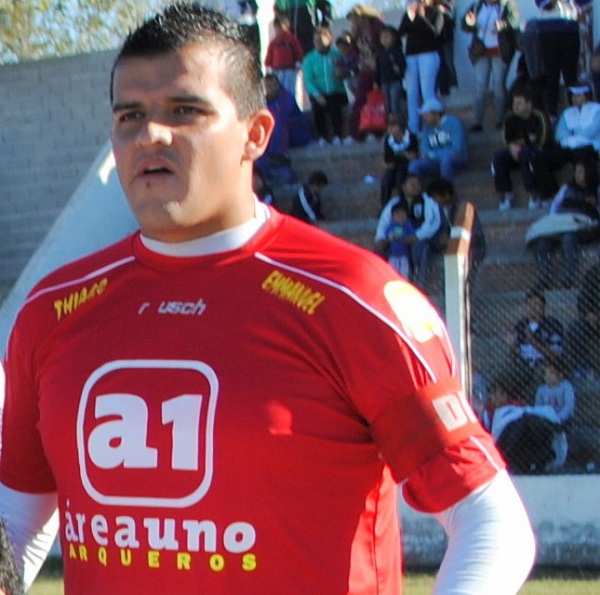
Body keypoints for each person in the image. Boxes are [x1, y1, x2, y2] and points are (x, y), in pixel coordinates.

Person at [0, 4, 535, 593]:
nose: (150, 134)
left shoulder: (354, 298)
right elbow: (20, 522)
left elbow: (491, 522)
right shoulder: (54, 309)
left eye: (184, 110)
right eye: (130, 116)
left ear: (255, 134)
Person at [492, 83, 559, 211]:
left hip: (540, 152)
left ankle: (534, 193)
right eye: (514, 103)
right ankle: (506, 193)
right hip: (516, 152)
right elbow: (507, 139)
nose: (515, 106)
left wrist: (520, 144)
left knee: (527, 154)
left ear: (529, 104)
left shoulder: (539, 117)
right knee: (498, 157)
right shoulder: (509, 118)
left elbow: (541, 140)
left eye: (519, 103)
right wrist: (519, 144)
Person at [533, 160, 600, 288]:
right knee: (542, 243)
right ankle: (544, 279)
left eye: (580, 172)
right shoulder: (567, 188)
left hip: (583, 227)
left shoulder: (596, 190)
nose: (577, 175)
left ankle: (568, 278)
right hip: (561, 225)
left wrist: (594, 205)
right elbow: (554, 208)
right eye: (576, 172)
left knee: (569, 239)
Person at [460, 0, 520, 131]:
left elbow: (515, 19)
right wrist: (470, 23)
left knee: (498, 86)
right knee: (480, 87)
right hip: (481, 51)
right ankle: (477, 122)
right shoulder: (477, 6)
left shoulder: (507, 4)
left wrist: (503, 24)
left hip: (500, 51)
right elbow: (464, 25)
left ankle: (500, 120)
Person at [375, 174, 443, 289]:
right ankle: (383, 284)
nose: (415, 186)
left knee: (420, 248)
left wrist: (417, 236)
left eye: (417, 184)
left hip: (420, 239)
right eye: (412, 184)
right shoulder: (394, 204)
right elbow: (384, 223)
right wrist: (380, 238)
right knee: (378, 251)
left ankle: (418, 284)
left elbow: (432, 223)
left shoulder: (427, 202)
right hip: (397, 239)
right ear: (404, 186)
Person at [426, 177, 487, 285]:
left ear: (446, 195)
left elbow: (476, 234)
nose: (434, 201)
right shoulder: (440, 209)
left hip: (473, 247)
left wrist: (454, 240)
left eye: (436, 197)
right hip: (451, 247)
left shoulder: (464, 207)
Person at [256, 73, 312, 185]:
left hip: (296, 132)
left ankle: (279, 160)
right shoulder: (260, 101)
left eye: (272, 85)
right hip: (270, 139)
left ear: (278, 85)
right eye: (267, 86)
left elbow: (280, 115)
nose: (269, 89)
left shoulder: (286, 98)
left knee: (277, 121)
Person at [509, 287, 564, 400]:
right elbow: (512, 357)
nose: (533, 308)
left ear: (543, 307)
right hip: (523, 364)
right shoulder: (520, 325)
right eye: (530, 305)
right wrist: (512, 346)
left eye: (536, 304)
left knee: (539, 376)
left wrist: (533, 342)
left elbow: (555, 355)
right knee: (508, 373)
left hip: (544, 364)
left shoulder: (553, 324)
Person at [398, 0, 444, 133]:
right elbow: (401, 32)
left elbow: (435, 32)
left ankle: (432, 124)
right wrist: (410, 18)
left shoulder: (435, 12)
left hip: (428, 54)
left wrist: (421, 17)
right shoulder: (408, 15)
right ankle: (414, 126)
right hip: (411, 56)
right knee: (411, 92)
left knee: (427, 91)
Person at [302, 26, 351, 146]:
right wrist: (317, 94)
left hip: (336, 91)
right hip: (319, 93)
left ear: (329, 39)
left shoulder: (337, 54)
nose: (318, 42)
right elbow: (308, 80)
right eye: (316, 40)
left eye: (321, 39)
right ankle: (322, 137)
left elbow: (348, 70)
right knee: (318, 108)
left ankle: (338, 136)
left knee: (336, 106)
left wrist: (343, 73)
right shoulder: (309, 59)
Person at [345, 4, 385, 140]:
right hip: (365, 69)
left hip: (380, 69)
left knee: (380, 102)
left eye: (355, 18)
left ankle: (380, 131)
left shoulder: (377, 26)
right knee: (360, 100)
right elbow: (353, 52)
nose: (353, 22)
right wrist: (353, 39)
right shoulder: (357, 32)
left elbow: (383, 45)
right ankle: (356, 134)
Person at [408, 98, 468, 182]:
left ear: (436, 113)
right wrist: (433, 155)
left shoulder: (454, 123)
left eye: (426, 114)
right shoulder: (427, 128)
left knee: (446, 162)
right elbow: (424, 149)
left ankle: (446, 188)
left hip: (456, 161)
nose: (423, 117)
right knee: (414, 165)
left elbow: (457, 149)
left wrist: (434, 155)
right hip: (435, 162)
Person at [554, 82, 600, 165]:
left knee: (580, 153)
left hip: (592, 147)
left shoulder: (597, 110)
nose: (573, 98)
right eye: (573, 96)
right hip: (569, 146)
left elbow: (589, 133)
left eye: (577, 96)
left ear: (585, 96)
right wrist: (574, 138)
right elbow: (559, 135)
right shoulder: (567, 113)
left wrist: (573, 132)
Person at [379, 113, 418, 207]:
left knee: (400, 179)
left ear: (401, 127)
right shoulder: (388, 140)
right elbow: (388, 159)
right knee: (385, 180)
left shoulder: (411, 138)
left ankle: (404, 204)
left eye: (393, 126)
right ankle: (384, 206)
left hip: (407, 166)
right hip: (393, 167)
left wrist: (404, 156)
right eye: (389, 126)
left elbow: (413, 155)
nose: (390, 129)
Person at [264, 14, 304, 97]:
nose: (279, 29)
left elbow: (298, 51)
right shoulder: (274, 42)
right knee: (277, 90)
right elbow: (269, 55)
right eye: (277, 27)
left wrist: (298, 62)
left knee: (290, 89)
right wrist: (268, 66)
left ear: (286, 26)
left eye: (281, 26)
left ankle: (291, 104)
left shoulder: (291, 39)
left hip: (289, 70)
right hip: (276, 70)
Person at [374, 25, 406, 120]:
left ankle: (398, 122)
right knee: (387, 105)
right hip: (384, 82)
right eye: (382, 37)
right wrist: (376, 81)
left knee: (395, 103)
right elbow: (378, 68)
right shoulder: (380, 53)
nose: (384, 39)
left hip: (395, 81)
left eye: (387, 36)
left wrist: (400, 70)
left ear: (394, 38)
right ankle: (389, 122)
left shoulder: (397, 51)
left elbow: (402, 64)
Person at [384, 202, 415, 277]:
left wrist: (406, 238)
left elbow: (412, 235)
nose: (400, 217)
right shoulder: (391, 225)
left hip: (404, 254)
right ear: (393, 216)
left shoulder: (408, 225)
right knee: (391, 271)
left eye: (402, 214)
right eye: (397, 215)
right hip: (393, 254)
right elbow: (387, 234)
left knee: (404, 272)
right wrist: (392, 236)